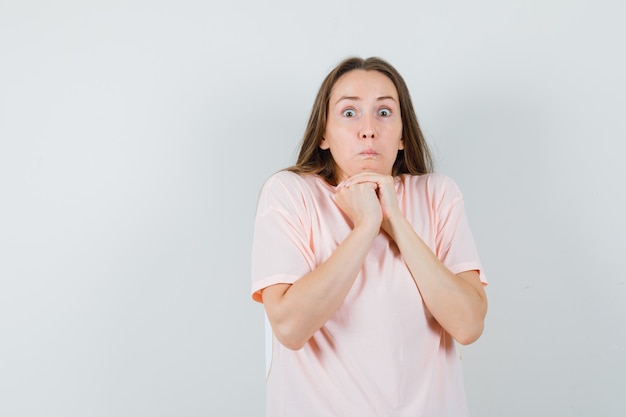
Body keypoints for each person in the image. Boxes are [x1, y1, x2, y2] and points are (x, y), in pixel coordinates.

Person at [250, 56, 488, 417]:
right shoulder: (289, 193)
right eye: (349, 113)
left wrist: (395, 221)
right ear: (324, 134)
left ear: (404, 134)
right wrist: (365, 227)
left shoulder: (438, 194)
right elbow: (290, 327)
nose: (368, 129)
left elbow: (468, 324)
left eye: (384, 112)